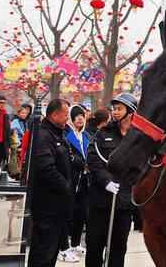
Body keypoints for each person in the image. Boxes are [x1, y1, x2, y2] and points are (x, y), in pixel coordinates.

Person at [86, 93, 138, 267]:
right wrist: (106, 181)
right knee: (94, 246)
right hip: (101, 201)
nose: (115, 112)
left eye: (119, 109)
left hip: (123, 203)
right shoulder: (103, 133)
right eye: (114, 109)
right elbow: (93, 159)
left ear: (130, 112)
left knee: (118, 248)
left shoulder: (137, 138)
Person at [27, 99, 75, 267]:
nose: (67, 119)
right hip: (46, 204)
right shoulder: (43, 135)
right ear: (54, 115)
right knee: (43, 252)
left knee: (51, 252)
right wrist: (66, 186)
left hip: (58, 205)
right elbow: (46, 168)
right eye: (66, 115)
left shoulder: (59, 133)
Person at [65, 105, 90, 257]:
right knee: (70, 214)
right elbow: (69, 157)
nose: (80, 118)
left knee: (81, 213)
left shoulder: (87, 135)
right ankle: (66, 245)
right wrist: (82, 164)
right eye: (76, 116)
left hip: (85, 181)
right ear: (71, 118)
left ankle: (76, 243)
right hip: (72, 179)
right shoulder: (66, 135)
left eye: (82, 115)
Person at [0, 94, 11, 177]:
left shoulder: (6, 115)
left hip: (2, 143)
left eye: (4, 103)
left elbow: (8, 131)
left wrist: (9, 146)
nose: (2, 104)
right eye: (0, 102)